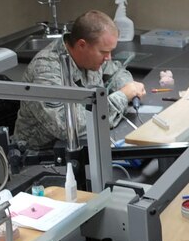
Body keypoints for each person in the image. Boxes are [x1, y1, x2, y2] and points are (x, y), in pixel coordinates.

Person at [13, 10, 146, 150]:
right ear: (82, 45)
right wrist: (123, 96)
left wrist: (128, 87)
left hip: (84, 146)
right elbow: (67, 127)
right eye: (104, 52)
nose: (108, 58)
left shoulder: (92, 55)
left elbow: (117, 72)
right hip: (42, 158)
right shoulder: (46, 69)